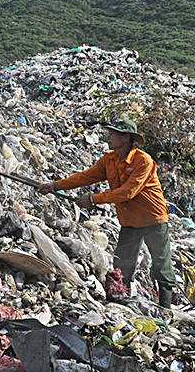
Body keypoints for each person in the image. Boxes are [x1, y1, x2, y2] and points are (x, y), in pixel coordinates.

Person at [38, 119, 176, 307]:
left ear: (126, 137)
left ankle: (166, 311)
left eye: (113, 133)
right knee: (122, 264)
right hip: (130, 221)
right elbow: (84, 177)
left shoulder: (143, 161)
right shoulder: (108, 160)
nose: (108, 136)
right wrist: (55, 185)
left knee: (161, 265)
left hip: (153, 219)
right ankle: (122, 304)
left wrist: (93, 199)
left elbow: (128, 191)